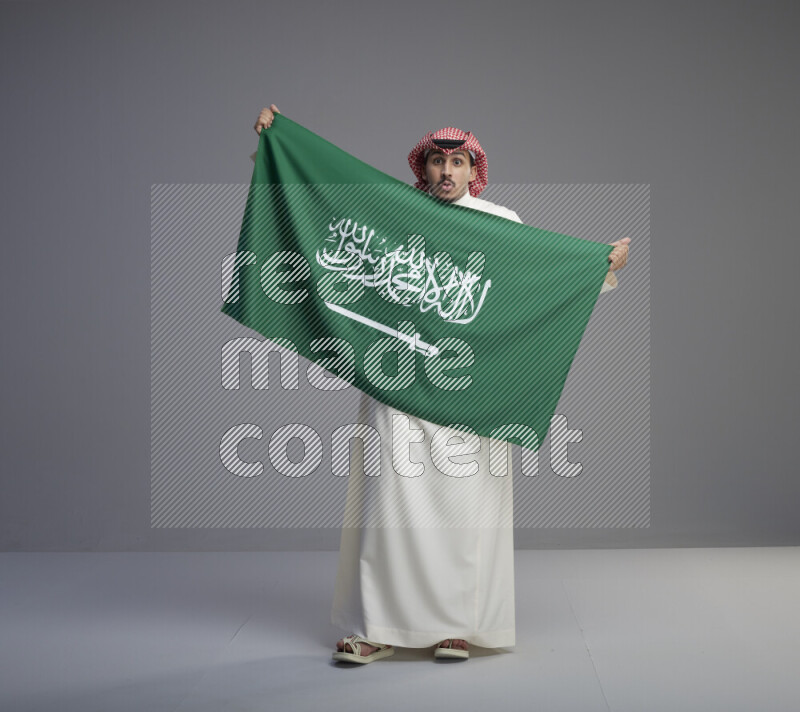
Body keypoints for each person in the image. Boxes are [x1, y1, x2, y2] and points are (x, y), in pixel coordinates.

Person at [253, 105, 630, 663]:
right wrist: (277, 143)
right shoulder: (396, 215)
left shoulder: (499, 221)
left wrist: (598, 266)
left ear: (471, 167)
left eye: (457, 161)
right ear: (422, 168)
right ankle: (376, 626)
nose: (446, 172)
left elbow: (536, 283)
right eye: (437, 161)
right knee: (389, 508)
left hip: (470, 391)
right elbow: (324, 212)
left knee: (463, 507)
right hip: (396, 382)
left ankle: (457, 626)